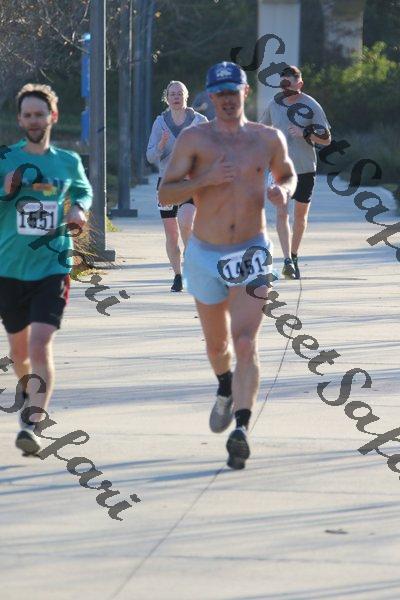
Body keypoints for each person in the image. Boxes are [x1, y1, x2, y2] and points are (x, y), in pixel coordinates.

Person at [159, 62, 296, 469]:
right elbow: (166, 193)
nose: (227, 100)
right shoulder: (194, 139)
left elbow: (287, 174)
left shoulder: (267, 138)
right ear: (210, 97)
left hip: (251, 251)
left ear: (244, 93)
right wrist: (205, 180)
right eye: (219, 94)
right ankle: (224, 385)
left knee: (246, 341)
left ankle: (241, 428)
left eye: (233, 92)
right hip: (205, 253)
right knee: (218, 346)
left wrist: (282, 191)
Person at [0, 83, 93, 455]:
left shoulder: (67, 161)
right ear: (20, 120)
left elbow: (83, 191)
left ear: (52, 116)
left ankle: (32, 424)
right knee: (19, 352)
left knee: (40, 344)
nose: (34, 120)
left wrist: (79, 208)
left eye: (40, 114)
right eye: (28, 115)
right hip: (10, 268)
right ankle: (28, 391)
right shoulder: (6, 158)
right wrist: (6, 189)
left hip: (52, 266)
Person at [261, 65, 331, 279]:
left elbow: (327, 139)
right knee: (282, 212)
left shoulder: (311, 105)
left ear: (299, 84)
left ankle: (294, 254)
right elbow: (262, 130)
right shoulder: (274, 104)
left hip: (305, 167)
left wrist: (305, 133)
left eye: (289, 83)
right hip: (280, 169)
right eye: (282, 83)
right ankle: (287, 261)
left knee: (300, 216)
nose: (285, 87)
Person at [147, 81, 207, 292]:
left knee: (186, 221)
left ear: (186, 96)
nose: (176, 97)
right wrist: (161, 145)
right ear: (167, 98)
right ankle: (178, 275)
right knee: (172, 235)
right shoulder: (160, 123)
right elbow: (150, 156)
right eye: (172, 94)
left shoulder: (199, 121)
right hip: (166, 184)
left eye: (180, 93)